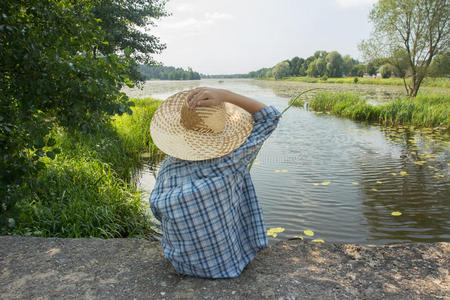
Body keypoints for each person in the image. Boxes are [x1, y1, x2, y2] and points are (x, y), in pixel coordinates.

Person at [149, 87, 281, 278]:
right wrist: (226, 95)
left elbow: (157, 211)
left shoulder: (168, 167)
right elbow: (270, 117)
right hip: (228, 265)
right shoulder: (232, 160)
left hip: (181, 264)